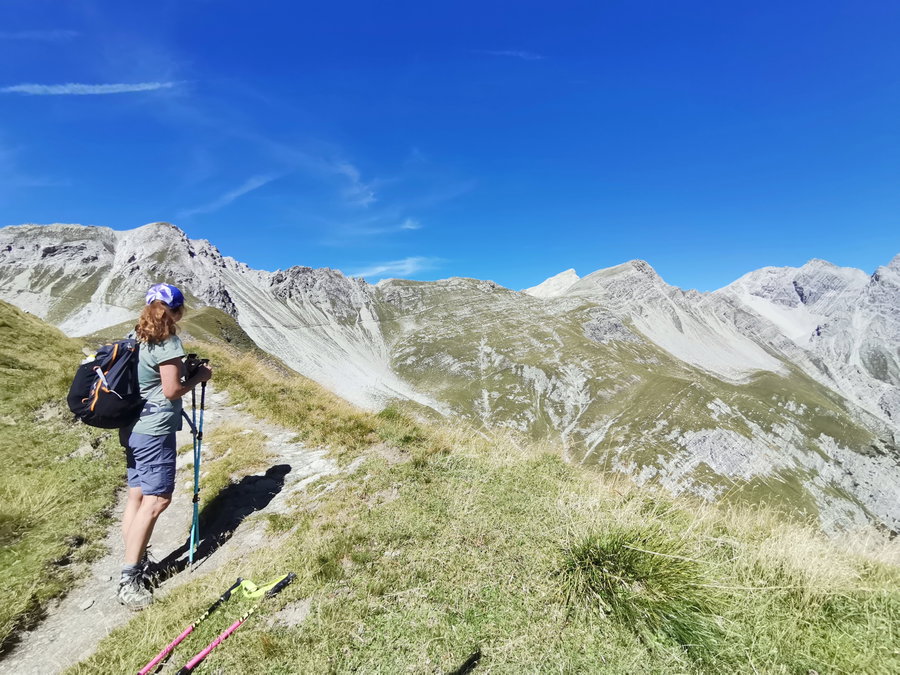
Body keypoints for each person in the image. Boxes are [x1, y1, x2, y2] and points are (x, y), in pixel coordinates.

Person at [117, 283, 212, 610]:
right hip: (154, 430)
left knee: (137, 495)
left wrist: (184, 370)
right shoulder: (167, 340)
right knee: (157, 499)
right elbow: (172, 390)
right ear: (177, 310)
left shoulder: (135, 335)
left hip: (131, 427)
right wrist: (199, 377)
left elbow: (151, 379)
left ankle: (134, 559)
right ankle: (130, 579)